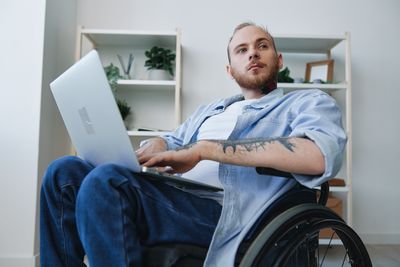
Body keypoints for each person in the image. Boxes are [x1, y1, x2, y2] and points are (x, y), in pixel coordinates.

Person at [40, 22, 346, 266]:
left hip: (238, 216)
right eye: (241, 50)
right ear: (230, 70)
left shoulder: (308, 102)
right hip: (178, 199)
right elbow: (172, 138)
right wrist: (157, 144)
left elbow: (318, 155)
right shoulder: (212, 111)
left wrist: (206, 150)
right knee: (62, 174)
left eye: (261, 46)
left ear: (278, 60)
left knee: (106, 184)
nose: (252, 53)